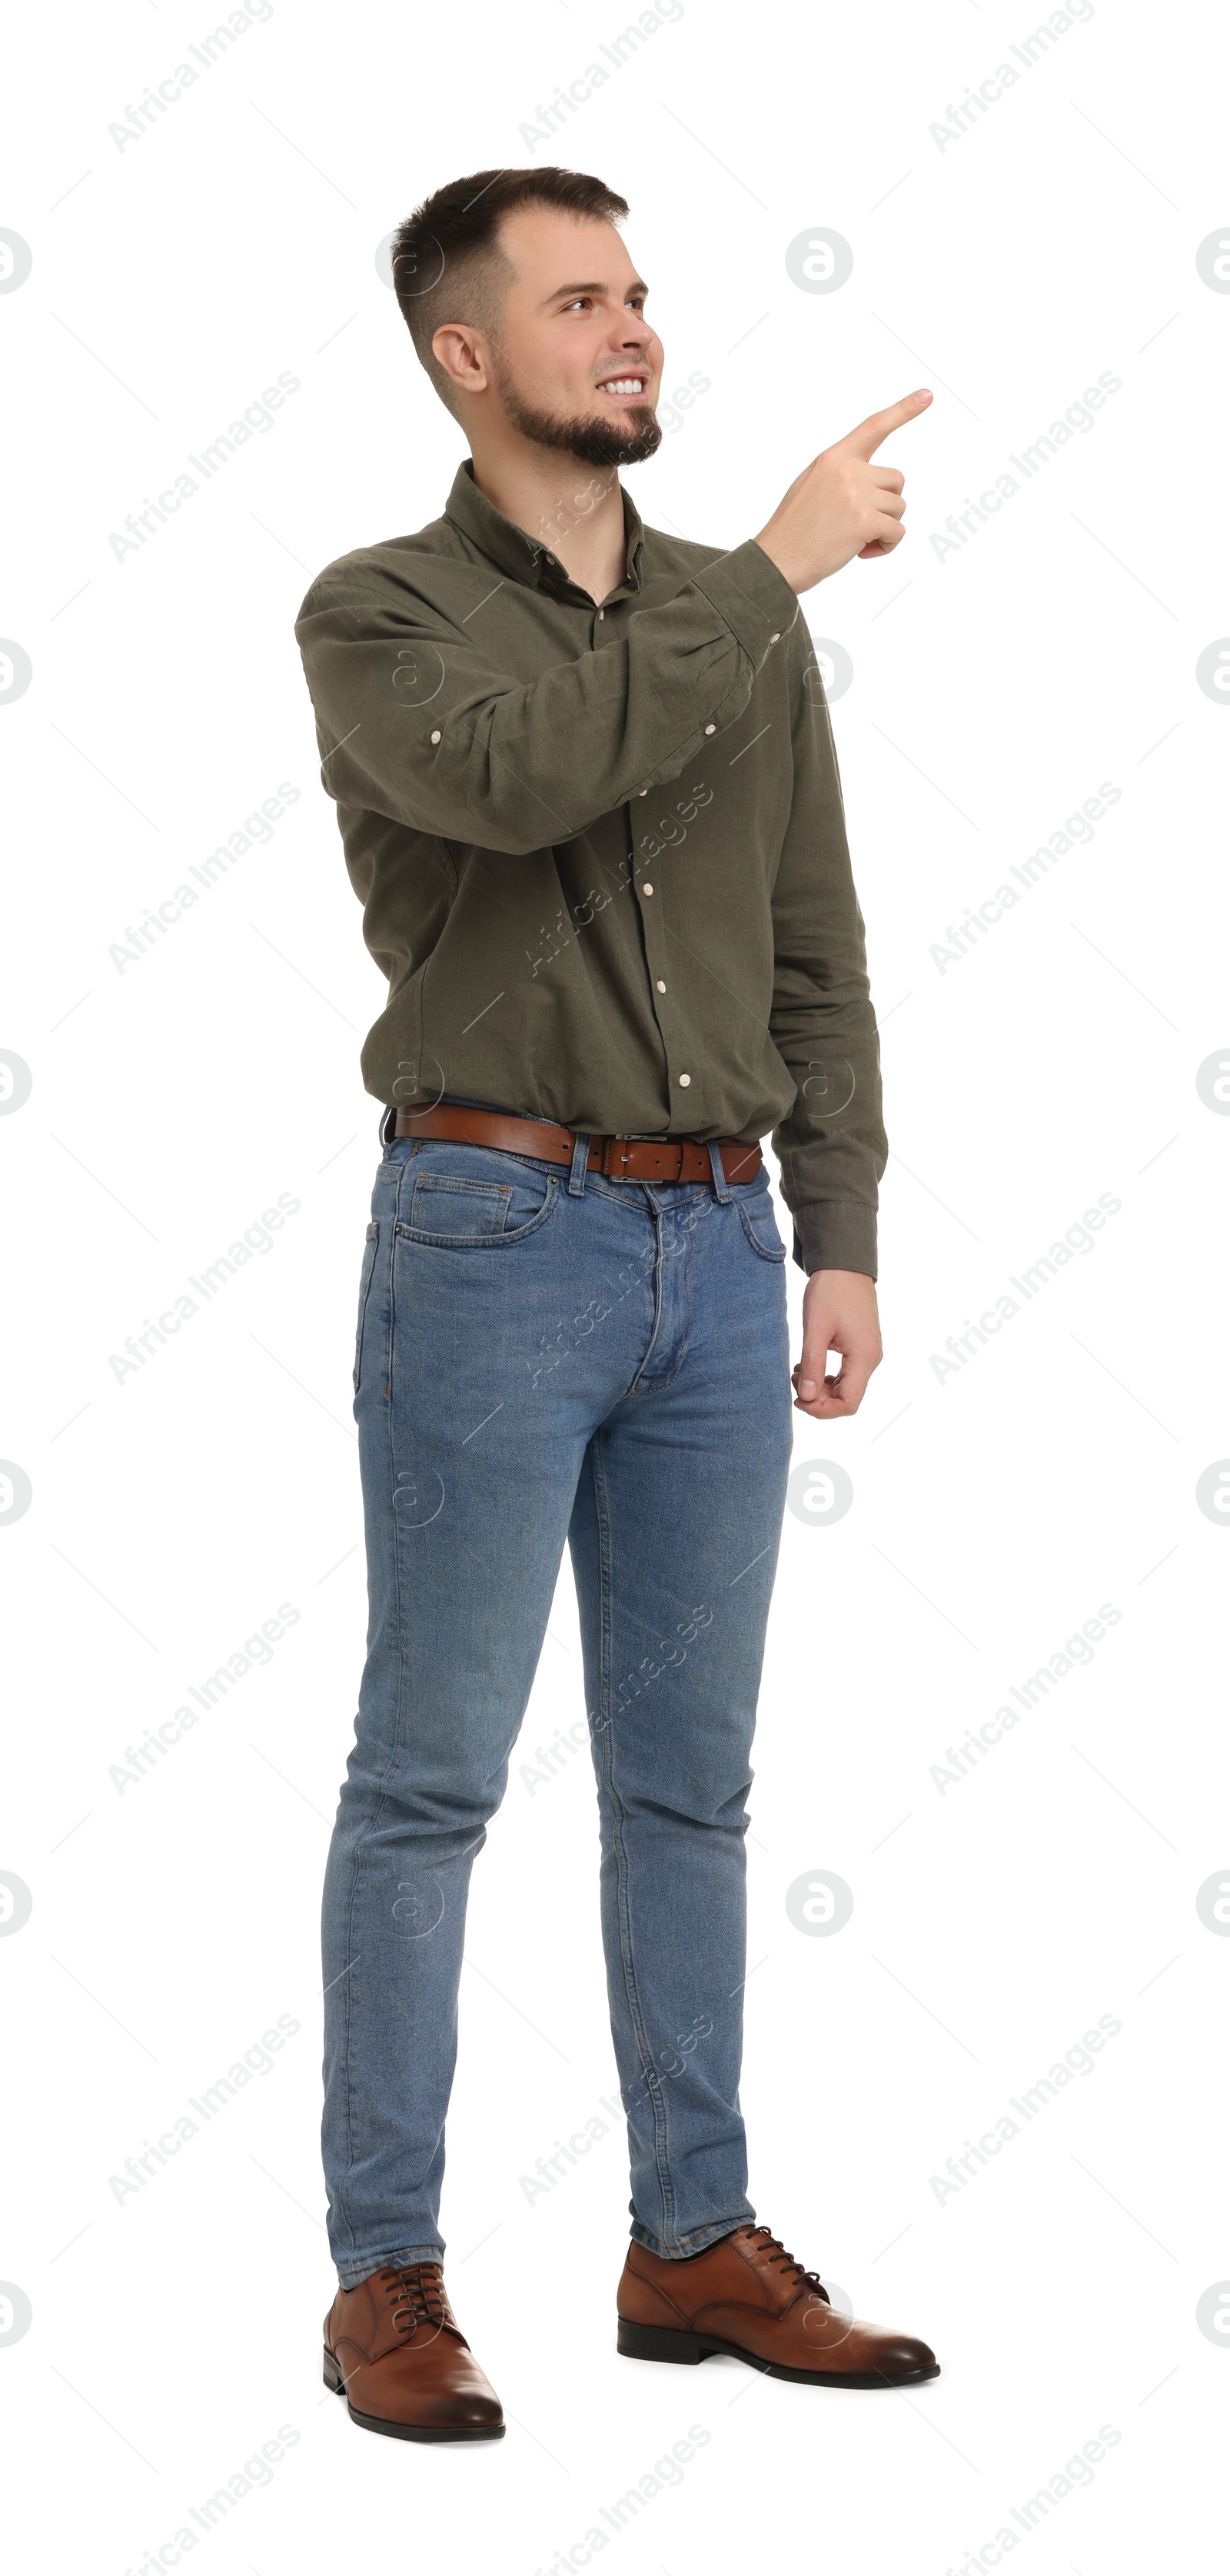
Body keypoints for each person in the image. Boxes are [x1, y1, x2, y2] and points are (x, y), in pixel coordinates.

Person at [294, 165, 938, 2445]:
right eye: (580, 302)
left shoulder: (725, 617)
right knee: (431, 1778)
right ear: (467, 355)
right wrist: (769, 571)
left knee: (691, 1789)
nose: (634, 329)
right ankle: (389, 2278)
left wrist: (838, 1226)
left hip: (718, 1247)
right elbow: (528, 775)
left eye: (643, 292)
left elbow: (811, 940)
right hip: (490, 1247)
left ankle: (693, 2239)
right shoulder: (380, 616)